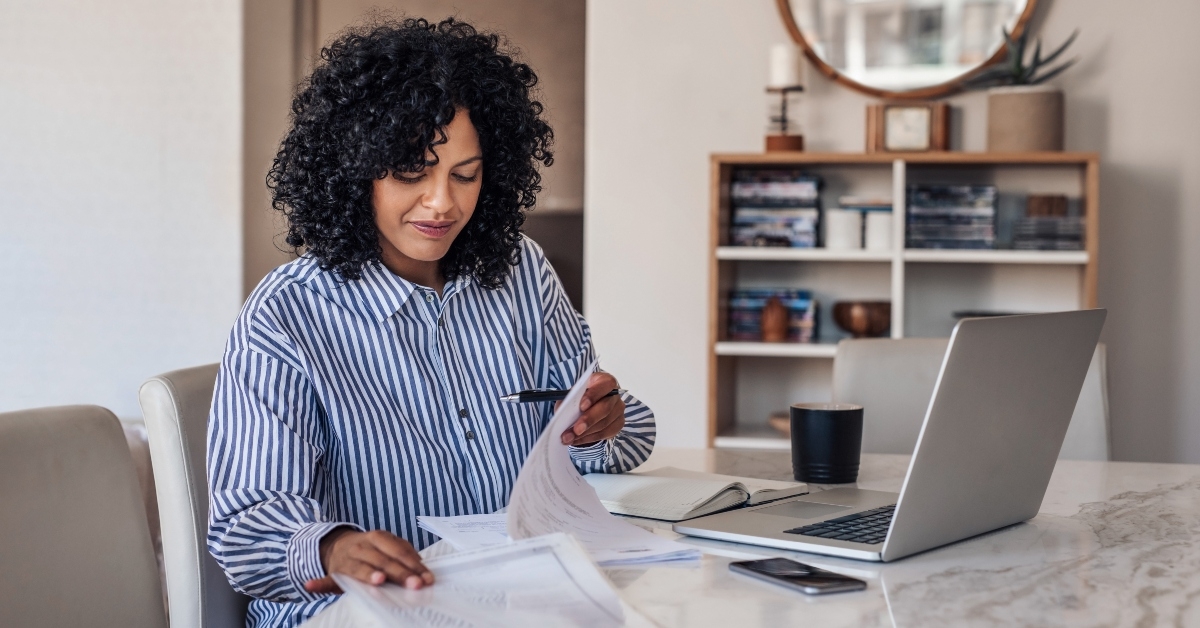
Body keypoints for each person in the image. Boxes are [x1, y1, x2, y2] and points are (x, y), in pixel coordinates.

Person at [207, 18, 656, 627]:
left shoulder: (521, 271)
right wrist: (333, 546)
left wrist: (602, 425)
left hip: (514, 595)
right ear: (354, 172)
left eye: (464, 175)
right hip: (359, 612)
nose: (443, 202)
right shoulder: (287, 314)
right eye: (411, 173)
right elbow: (246, 527)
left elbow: (601, 448)